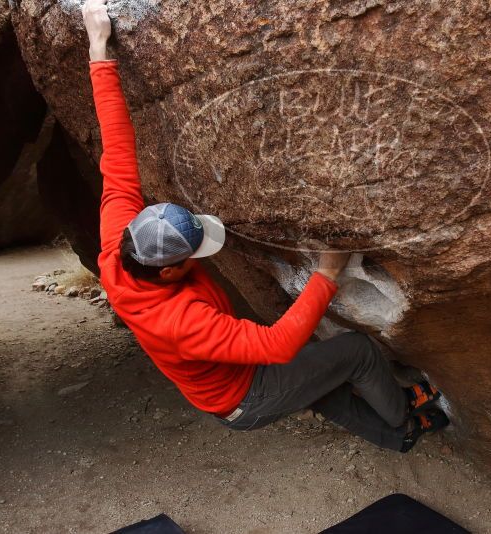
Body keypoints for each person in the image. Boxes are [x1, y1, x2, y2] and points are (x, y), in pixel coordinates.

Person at [81, 0, 449, 452]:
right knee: (356, 352)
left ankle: (391, 434)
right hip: (244, 398)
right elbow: (276, 347)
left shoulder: (120, 239)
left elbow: (117, 149)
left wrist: (99, 50)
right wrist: (327, 274)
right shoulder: (179, 321)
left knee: (320, 379)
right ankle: (402, 416)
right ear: (169, 271)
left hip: (233, 378)